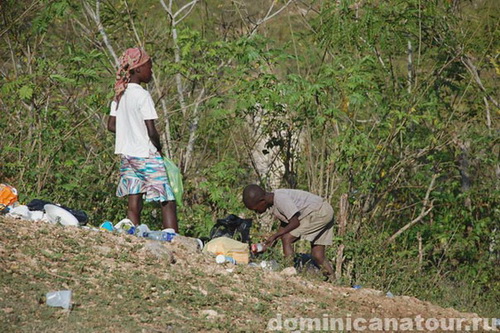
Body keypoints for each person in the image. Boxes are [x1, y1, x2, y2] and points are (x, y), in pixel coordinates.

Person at [107, 47, 178, 231]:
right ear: (138, 69)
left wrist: (129, 131)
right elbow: (151, 130)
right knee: (166, 197)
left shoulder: (119, 95)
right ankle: (174, 238)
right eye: (149, 67)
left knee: (134, 194)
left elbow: (111, 125)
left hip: (127, 154)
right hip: (145, 153)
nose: (151, 71)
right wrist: (159, 148)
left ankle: (133, 232)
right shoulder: (142, 95)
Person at [243, 184, 334, 277]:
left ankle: (289, 271)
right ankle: (333, 281)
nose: (256, 212)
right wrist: (272, 242)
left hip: (318, 213)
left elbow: (294, 222)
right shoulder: (273, 202)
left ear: (262, 201)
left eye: (255, 209)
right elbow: (285, 224)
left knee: (287, 239)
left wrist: (275, 236)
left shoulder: (280, 199)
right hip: (324, 211)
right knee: (318, 255)